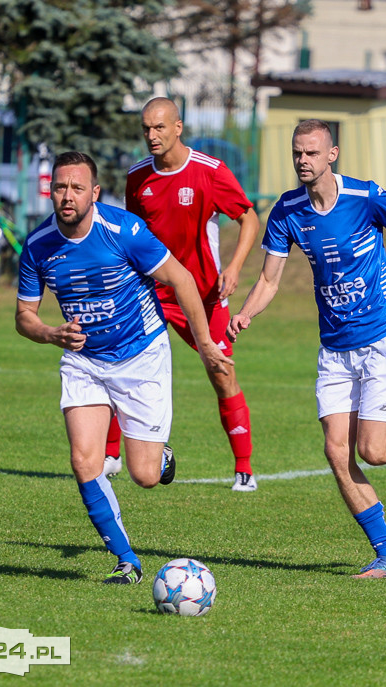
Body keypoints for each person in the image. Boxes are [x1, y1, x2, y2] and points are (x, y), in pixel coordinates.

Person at [226, 119, 386, 578]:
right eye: (297, 153)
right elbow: (270, 278)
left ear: (332, 155)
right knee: (336, 452)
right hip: (334, 351)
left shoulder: (365, 197)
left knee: (375, 451)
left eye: (311, 153)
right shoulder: (286, 211)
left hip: (380, 342)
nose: (302, 161)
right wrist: (247, 313)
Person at [15, 151, 231, 584]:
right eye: (60, 187)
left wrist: (206, 344)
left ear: (94, 193)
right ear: (50, 191)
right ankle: (126, 560)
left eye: (77, 188)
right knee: (84, 461)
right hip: (84, 361)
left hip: (141, 354)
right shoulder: (38, 245)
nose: (67, 196)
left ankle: (160, 454)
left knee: (145, 476)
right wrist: (51, 334)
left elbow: (182, 279)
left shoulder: (124, 230)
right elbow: (24, 317)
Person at [102, 96, 262, 492]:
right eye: (145, 129)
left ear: (178, 127)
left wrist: (236, 267)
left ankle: (244, 467)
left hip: (204, 294)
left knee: (222, 371)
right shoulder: (138, 177)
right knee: (120, 365)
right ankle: (111, 456)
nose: (151, 136)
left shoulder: (209, 171)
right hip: (151, 292)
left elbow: (249, 217)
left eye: (159, 127)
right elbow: (133, 236)